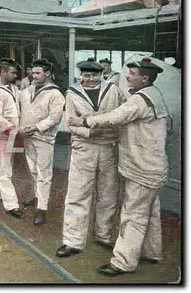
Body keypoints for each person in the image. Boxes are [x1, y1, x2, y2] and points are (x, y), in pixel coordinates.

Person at [69, 57, 168, 276]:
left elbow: (116, 116)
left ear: (144, 78)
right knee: (149, 211)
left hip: (142, 168)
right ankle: (151, 252)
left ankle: (123, 262)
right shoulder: (153, 95)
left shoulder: (139, 99)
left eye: (131, 74)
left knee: (133, 215)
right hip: (152, 166)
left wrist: (84, 121)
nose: (127, 77)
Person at [56, 58, 125, 258]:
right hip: (83, 148)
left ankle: (103, 235)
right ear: (81, 75)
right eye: (87, 75)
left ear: (101, 74)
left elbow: (122, 113)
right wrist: (88, 133)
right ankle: (73, 242)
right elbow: (70, 122)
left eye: (95, 75)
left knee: (108, 194)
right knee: (78, 195)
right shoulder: (72, 93)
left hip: (109, 148)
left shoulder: (113, 89)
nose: (91, 79)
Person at [19, 58, 65, 225]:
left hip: (44, 137)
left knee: (44, 173)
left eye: (38, 73)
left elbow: (54, 117)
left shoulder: (55, 93)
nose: (34, 75)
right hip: (28, 136)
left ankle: (42, 209)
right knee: (32, 169)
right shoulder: (26, 91)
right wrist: (22, 128)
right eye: (33, 72)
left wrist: (36, 127)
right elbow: (21, 111)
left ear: (47, 74)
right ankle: (37, 196)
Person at [0, 58, 23, 218]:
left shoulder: (11, 88)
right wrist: (12, 129)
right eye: (12, 72)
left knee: (1, 165)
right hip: (2, 133)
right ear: (3, 72)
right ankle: (11, 205)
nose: (15, 75)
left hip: (8, 133)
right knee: (5, 168)